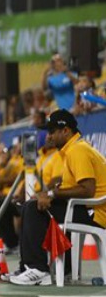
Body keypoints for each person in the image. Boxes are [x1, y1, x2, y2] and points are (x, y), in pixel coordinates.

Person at [9, 109, 106, 286]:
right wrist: (51, 192)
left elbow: (88, 189)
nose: (49, 136)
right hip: (87, 209)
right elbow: (76, 186)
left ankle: (38, 269)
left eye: (52, 132)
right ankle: (30, 268)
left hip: (95, 213)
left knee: (33, 208)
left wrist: (52, 194)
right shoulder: (73, 149)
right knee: (31, 206)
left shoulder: (78, 150)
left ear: (66, 131)